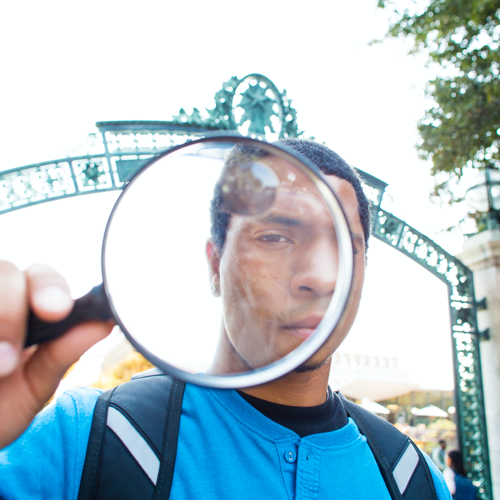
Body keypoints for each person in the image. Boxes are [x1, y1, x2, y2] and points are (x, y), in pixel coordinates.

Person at [0, 139, 451, 499]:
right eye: (275, 236)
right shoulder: (81, 442)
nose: (319, 276)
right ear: (215, 265)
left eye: (344, 246)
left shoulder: (414, 480)